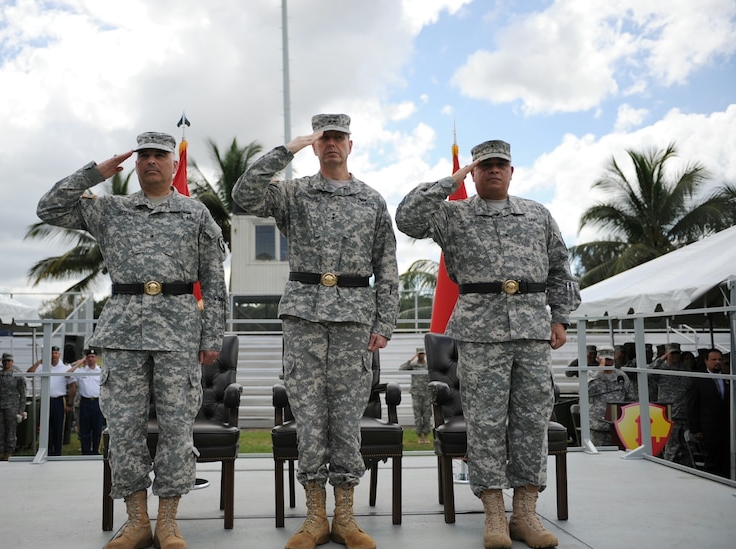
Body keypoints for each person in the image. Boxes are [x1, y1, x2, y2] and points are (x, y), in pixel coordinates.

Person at [37, 131, 227, 549]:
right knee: (123, 428)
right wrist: (95, 172)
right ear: (135, 164)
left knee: (177, 427)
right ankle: (137, 520)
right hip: (123, 330)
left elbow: (214, 282)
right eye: (144, 156)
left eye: (160, 155)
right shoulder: (110, 210)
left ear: (174, 164)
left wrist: (212, 334)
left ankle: (169, 522)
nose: (151, 162)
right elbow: (48, 207)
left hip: (178, 331)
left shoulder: (195, 214)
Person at [396, 139, 580, 549]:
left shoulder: (537, 214)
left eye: (501, 165)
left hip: (532, 330)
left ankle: (525, 512)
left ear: (512, 171)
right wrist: (450, 180)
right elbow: (406, 218)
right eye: (485, 165)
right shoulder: (452, 214)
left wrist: (560, 317)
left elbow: (561, 268)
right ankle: (494, 513)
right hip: (480, 332)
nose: (494, 170)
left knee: (532, 420)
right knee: (486, 423)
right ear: (474, 172)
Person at [233, 113, 399, 549]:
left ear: (350, 144)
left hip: (353, 319)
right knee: (308, 416)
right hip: (304, 316)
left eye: (338, 137)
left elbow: (386, 265)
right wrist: (288, 149)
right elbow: (245, 193)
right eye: (323, 138)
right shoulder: (294, 192)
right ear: (315, 143)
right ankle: (314, 518)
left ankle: (345, 517)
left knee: (346, 418)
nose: (330, 144)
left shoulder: (371, 200)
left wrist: (384, 322)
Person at [686, 349, 731, 478]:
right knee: (712, 464)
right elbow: (691, 406)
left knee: (726, 462)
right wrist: (695, 430)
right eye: (714, 360)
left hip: (727, 430)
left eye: (720, 359)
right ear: (706, 361)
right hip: (708, 431)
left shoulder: (729, 378)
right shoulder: (698, 380)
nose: (718, 362)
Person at [27, 345, 76, 456]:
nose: (54, 355)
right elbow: (30, 373)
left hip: (58, 400)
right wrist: (40, 361)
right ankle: (46, 450)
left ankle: (57, 451)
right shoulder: (43, 366)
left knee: (58, 427)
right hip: (46, 400)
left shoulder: (64, 368)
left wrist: (70, 402)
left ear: (59, 355)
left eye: (56, 353)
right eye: (52, 353)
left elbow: (72, 385)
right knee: (45, 426)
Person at [649, 343, 691, 464]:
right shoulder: (661, 369)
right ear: (666, 354)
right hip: (668, 414)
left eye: (677, 353)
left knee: (686, 447)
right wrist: (661, 359)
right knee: (671, 447)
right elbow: (647, 373)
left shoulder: (685, 369)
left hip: (684, 413)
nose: (675, 356)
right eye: (672, 353)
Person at [587, 346, 637, 447]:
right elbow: (587, 391)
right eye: (604, 359)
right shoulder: (591, 374)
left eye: (609, 359)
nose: (607, 362)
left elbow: (631, 399)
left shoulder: (621, 376)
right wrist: (599, 372)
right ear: (598, 359)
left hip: (619, 425)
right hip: (598, 425)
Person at [67, 348, 104, 455]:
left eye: (93, 357)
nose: (91, 359)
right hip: (85, 403)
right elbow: (67, 374)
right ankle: (86, 451)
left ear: (96, 358)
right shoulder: (81, 371)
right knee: (85, 429)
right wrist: (78, 363)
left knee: (97, 429)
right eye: (88, 357)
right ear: (85, 359)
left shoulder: (101, 371)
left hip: (97, 402)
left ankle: (95, 450)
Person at [0, 353, 27, 461]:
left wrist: (21, 409)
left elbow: (23, 393)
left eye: (9, 361)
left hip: (12, 406)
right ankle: (0, 450)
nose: (6, 363)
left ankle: (9, 450)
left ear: (12, 362)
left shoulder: (17, 375)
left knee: (11, 429)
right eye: (5, 361)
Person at [399, 347, 432, 444]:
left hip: (426, 393)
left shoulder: (428, 365)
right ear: (417, 354)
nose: (421, 355)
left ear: (425, 354)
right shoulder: (413, 365)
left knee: (427, 416)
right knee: (417, 416)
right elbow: (401, 368)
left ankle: (426, 436)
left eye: (422, 353)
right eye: (419, 354)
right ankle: (419, 436)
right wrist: (411, 359)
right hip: (416, 393)